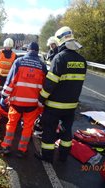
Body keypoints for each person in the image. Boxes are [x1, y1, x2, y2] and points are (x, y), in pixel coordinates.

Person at [35, 26, 87, 163]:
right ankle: (63, 156)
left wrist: (41, 98)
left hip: (54, 105)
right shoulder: (82, 61)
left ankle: (47, 157)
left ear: (59, 41)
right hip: (71, 106)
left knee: (49, 130)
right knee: (66, 131)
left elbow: (50, 84)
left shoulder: (59, 58)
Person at [0, 42, 48, 158]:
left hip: (16, 102)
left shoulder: (19, 62)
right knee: (27, 127)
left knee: (11, 124)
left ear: (28, 50)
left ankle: (6, 146)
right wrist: (42, 102)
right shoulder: (42, 66)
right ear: (37, 51)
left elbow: (10, 82)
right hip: (32, 104)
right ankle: (22, 150)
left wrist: (4, 96)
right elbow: (46, 86)